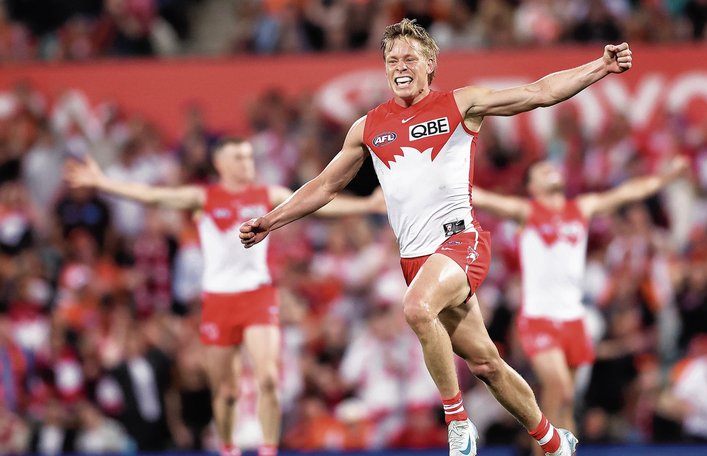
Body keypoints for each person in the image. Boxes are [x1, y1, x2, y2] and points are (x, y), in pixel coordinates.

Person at [239, 18, 633, 456]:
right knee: (486, 363)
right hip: (416, 260)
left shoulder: (461, 104)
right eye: (391, 60)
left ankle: (458, 424)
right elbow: (325, 186)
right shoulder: (367, 128)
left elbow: (538, 93)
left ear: (430, 64)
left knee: (415, 307)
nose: (399, 66)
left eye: (409, 57)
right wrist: (270, 220)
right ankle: (554, 439)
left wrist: (599, 67)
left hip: (461, 242)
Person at [65, 137, 382, 456]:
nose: (247, 163)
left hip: (257, 294)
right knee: (226, 389)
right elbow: (153, 195)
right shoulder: (203, 197)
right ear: (220, 164)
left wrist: (366, 204)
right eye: (238, 158)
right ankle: (228, 448)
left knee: (268, 378)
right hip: (219, 300)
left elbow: (316, 200)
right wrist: (101, 181)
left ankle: (268, 449)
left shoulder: (266, 195)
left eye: (248, 157)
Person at [471, 156, 688, 440]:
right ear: (532, 187)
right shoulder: (526, 211)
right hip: (539, 317)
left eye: (551, 168)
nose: (550, 170)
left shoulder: (581, 209)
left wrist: (665, 178)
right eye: (541, 171)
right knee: (557, 387)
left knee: (568, 400)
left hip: (573, 318)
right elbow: (482, 198)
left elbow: (626, 193)